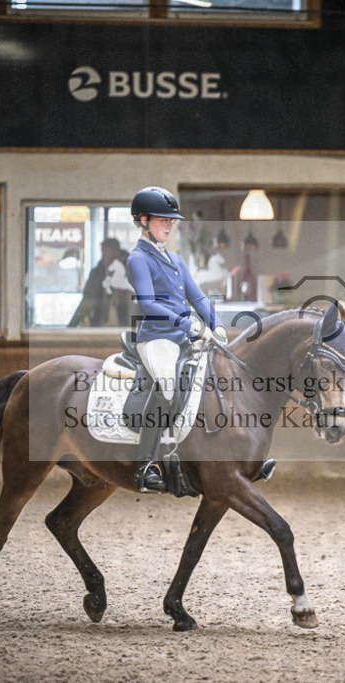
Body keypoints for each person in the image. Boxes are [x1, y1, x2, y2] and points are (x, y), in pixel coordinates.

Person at [125, 186, 226, 493]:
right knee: (168, 387)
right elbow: (148, 304)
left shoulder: (176, 260)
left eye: (171, 221)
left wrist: (216, 324)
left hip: (183, 337)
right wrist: (188, 323)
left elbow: (198, 297)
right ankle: (145, 466)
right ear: (143, 221)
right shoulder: (138, 259)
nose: (169, 226)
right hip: (157, 338)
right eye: (163, 220)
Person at [67, 237, 130, 327]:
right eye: (102, 253)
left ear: (116, 253)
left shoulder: (130, 271)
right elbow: (88, 300)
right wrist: (72, 326)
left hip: (124, 323)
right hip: (100, 323)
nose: (103, 256)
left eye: (106, 252)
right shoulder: (97, 274)